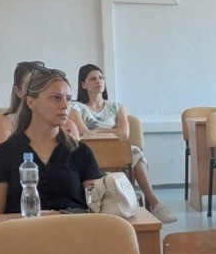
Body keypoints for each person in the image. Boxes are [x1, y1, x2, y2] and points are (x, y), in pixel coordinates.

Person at [0, 66, 102, 215]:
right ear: (31, 102)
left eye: (68, 99)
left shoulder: (80, 152)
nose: (65, 105)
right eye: (55, 98)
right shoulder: (4, 153)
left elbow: (98, 210)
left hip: (73, 228)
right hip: (23, 229)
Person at [71, 64, 176, 223]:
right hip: (90, 152)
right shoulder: (76, 107)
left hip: (115, 151)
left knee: (135, 152)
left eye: (101, 78)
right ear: (83, 84)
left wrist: (96, 129)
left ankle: (155, 204)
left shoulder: (116, 107)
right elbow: (83, 133)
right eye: (93, 79)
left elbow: (125, 134)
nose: (98, 81)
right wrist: (112, 129)